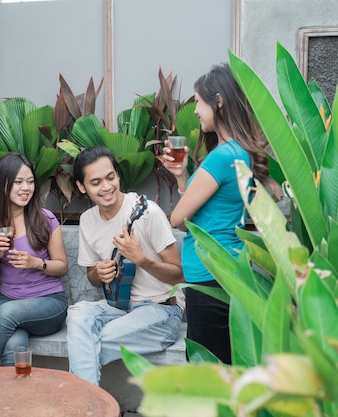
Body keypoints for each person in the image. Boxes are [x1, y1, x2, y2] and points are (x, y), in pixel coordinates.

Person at [162, 63, 269, 364]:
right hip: (224, 270)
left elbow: (178, 220)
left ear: (218, 101)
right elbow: (203, 218)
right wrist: (183, 177)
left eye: (198, 100)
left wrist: (183, 185)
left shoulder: (222, 157)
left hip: (210, 276)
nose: (195, 110)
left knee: (207, 369)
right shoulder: (240, 152)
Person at [66, 146, 185, 385]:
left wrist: (142, 260)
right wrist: (99, 273)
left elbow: (179, 276)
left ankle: (87, 407)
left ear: (118, 175)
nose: (107, 187)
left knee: (88, 343)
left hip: (162, 309)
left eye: (111, 177)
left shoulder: (146, 212)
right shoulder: (88, 220)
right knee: (77, 314)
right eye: (96, 182)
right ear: (82, 187)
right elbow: (91, 275)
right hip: (118, 306)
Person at [0, 153, 68, 368]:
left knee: (6, 314)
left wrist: (37, 263)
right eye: (18, 182)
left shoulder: (45, 219)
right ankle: (11, 399)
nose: (26, 188)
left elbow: (62, 266)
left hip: (49, 303)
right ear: (2, 185)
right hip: (10, 301)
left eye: (30, 182)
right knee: (14, 344)